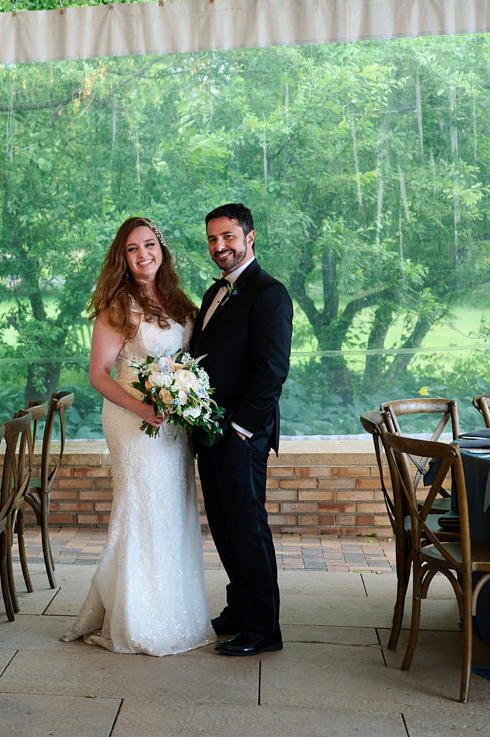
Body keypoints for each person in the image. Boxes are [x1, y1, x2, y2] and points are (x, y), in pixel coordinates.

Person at [60, 216, 212, 655]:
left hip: (172, 426)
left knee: (171, 510)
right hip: (132, 422)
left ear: (161, 249)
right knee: (141, 508)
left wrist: (185, 397)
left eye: (149, 244)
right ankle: (137, 617)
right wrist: (144, 406)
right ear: (122, 258)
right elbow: (98, 374)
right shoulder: (117, 304)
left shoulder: (179, 302)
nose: (143, 254)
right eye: (132, 248)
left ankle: (175, 610)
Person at [189, 203, 293, 657]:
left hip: (240, 434)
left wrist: (242, 429)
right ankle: (239, 608)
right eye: (213, 239)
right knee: (226, 526)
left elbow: (272, 369)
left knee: (248, 528)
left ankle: (263, 628)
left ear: (250, 237)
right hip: (209, 431)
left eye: (228, 237)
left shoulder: (270, 293)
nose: (220, 247)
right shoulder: (217, 291)